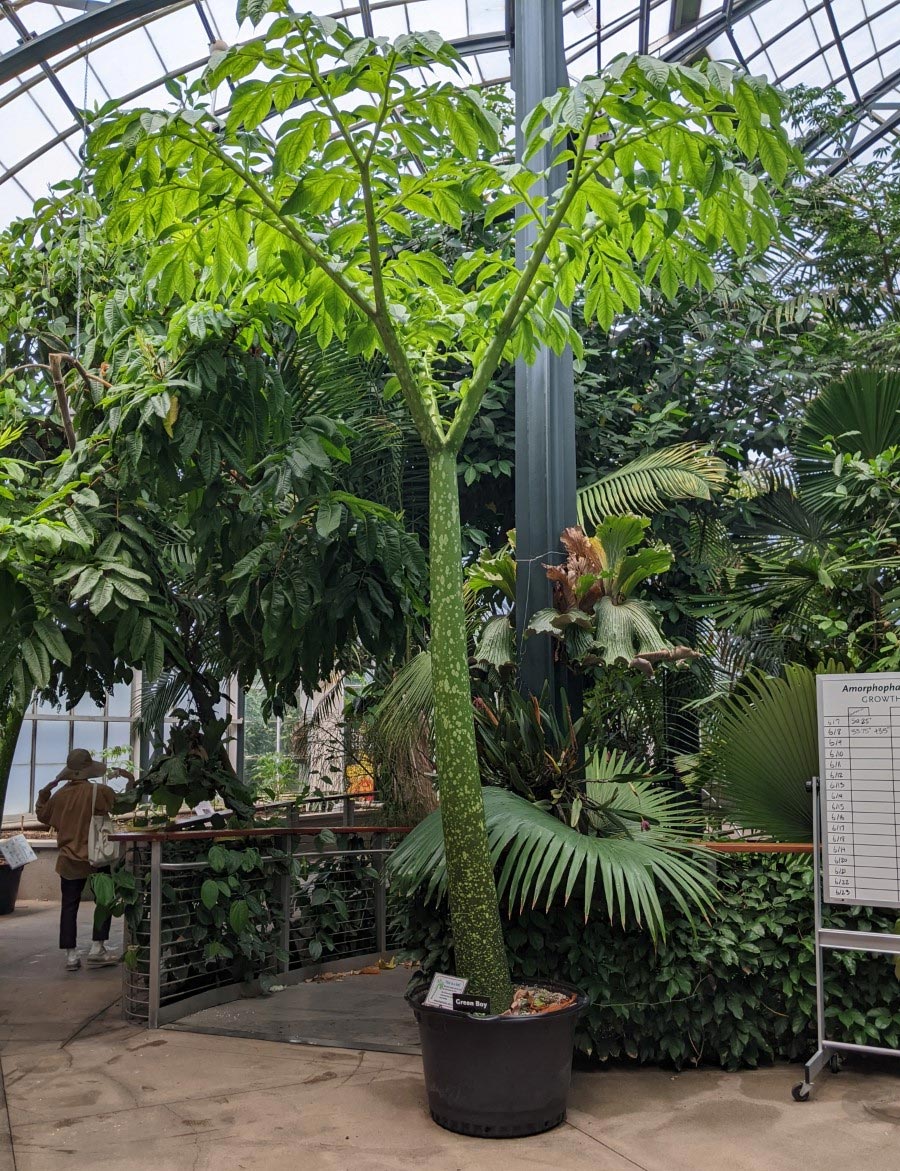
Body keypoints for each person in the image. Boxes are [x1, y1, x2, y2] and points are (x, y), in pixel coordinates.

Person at [35, 748, 134, 973]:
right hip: (96, 857)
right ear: (88, 769)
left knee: (69, 906)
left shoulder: (59, 796)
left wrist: (44, 794)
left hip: (68, 859)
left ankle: (71, 956)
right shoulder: (98, 791)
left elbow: (42, 815)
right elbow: (126, 804)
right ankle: (97, 948)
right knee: (104, 901)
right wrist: (130, 780)